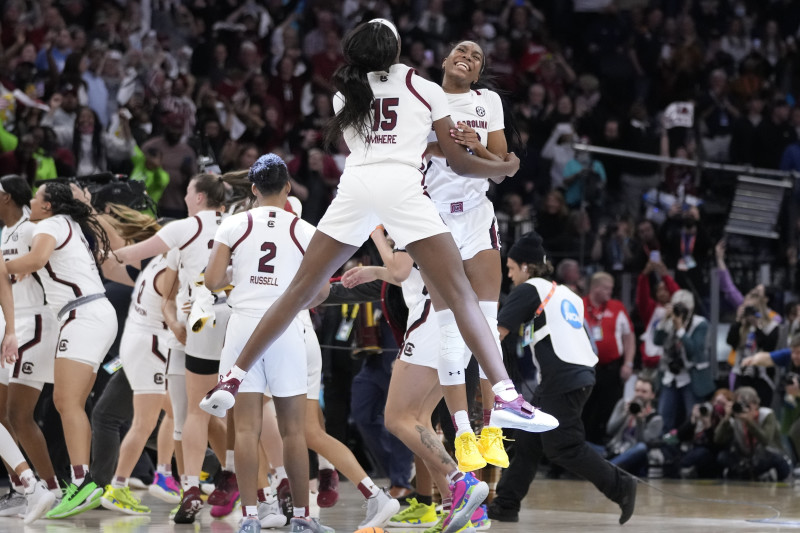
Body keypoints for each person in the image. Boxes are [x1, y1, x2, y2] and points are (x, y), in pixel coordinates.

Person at [201, 19, 551, 533]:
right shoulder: (422, 86)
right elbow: (456, 159)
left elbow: (386, 138)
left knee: (298, 290)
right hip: (402, 189)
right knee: (460, 295)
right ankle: (504, 393)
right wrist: (505, 167)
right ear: (396, 50)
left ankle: (231, 377)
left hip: (357, 186)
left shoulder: (347, 93)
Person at [206, 154, 399, 533]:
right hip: (288, 330)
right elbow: (321, 292)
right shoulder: (306, 230)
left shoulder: (234, 224)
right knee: (296, 430)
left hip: (243, 328)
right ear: (289, 188)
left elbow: (213, 280)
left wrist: (238, 276)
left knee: (246, 430)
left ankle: (249, 518)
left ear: (254, 189)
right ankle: (303, 518)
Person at [341, 228, 492, 533]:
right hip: (455, 321)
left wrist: (378, 237)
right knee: (419, 420)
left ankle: (460, 482)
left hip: (431, 320)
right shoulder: (436, 218)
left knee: (396, 418)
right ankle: (461, 508)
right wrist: (374, 270)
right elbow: (407, 273)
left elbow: (400, 268)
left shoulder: (408, 213)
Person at [487, 232, 637, 524]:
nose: (510, 276)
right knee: (529, 439)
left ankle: (621, 486)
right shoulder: (567, 293)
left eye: (511, 269)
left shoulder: (529, 289)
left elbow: (497, 334)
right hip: (579, 373)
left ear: (526, 267)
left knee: (563, 446)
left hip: (562, 375)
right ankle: (506, 504)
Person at [112, 173, 231, 524]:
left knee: (195, 413)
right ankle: (195, 486)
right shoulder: (235, 224)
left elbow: (130, 253)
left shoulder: (186, 228)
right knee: (189, 414)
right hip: (208, 325)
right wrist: (176, 323)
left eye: (187, 189)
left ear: (197, 197)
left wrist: (101, 250)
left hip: (203, 320)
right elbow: (166, 299)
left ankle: (219, 481)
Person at [422, 39, 515, 473]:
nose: (468, 55)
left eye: (477, 56)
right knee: (450, 333)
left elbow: (501, 162)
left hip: (477, 216)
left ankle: (492, 429)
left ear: (477, 75)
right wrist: (449, 149)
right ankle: (461, 432)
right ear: (444, 61)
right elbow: (418, 151)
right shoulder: (421, 95)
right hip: (434, 221)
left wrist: (475, 145)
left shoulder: (487, 101)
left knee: (487, 328)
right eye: (461, 49)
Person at [4, 182, 118, 518]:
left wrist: (6, 266)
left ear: (49, 205)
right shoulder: (67, 223)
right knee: (72, 403)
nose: (33, 203)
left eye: (38, 198)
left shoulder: (52, 224)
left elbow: (37, 258)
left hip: (83, 313)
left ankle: (83, 482)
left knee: (66, 402)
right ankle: (84, 481)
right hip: (90, 312)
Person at [0, 175, 62, 507]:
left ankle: (50, 489)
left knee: (19, 413)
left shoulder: (30, 229)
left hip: (37, 322)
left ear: (7, 198)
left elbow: (47, 261)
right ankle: (22, 488)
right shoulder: (7, 233)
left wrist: (24, 266)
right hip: (11, 323)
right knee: (4, 414)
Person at [582, 272, 635, 445]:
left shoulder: (616, 307)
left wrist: (628, 362)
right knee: (586, 410)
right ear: (595, 287)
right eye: (606, 288)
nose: (609, 293)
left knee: (608, 410)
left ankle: (602, 448)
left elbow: (629, 336)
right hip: (587, 368)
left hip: (612, 369)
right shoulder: (579, 305)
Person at [742, 337, 800, 468]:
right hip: (793, 402)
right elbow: (768, 357)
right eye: (794, 352)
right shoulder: (790, 355)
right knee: (789, 433)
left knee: (797, 431)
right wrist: (754, 359)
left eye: (799, 353)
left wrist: (797, 392)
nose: (795, 356)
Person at [714, 386, 792, 481]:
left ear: (755, 404)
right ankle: (742, 476)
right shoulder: (735, 418)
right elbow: (718, 439)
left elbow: (765, 440)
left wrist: (750, 422)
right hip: (745, 459)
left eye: (746, 405)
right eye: (739, 404)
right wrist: (726, 418)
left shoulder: (766, 414)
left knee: (776, 458)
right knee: (723, 456)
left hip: (766, 456)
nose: (743, 408)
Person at [605, 377, 663, 477]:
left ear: (652, 395)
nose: (639, 394)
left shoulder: (656, 419)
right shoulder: (623, 404)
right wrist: (625, 414)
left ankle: (605, 469)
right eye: (637, 390)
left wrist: (640, 421)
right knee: (582, 445)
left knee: (641, 447)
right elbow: (609, 430)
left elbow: (643, 443)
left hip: (633, 457)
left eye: (644, 392)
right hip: (614, 450)